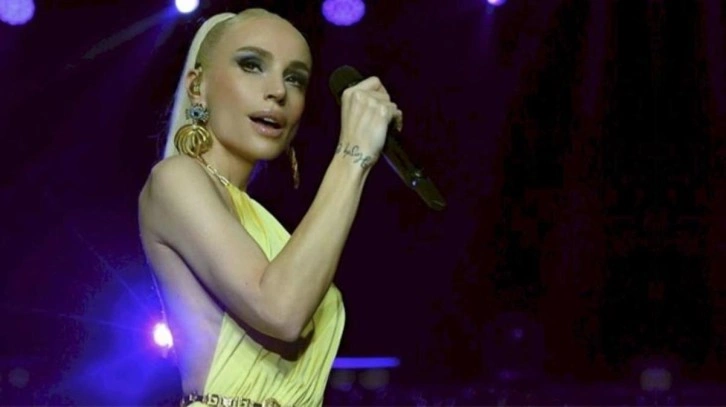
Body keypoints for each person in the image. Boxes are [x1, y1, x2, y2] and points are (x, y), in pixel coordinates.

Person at [137, 7, 403, 407]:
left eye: (295, 78)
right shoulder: (175, 179)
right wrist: (353, 156)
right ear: (197, 86)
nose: (279, 91)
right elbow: (280, 310)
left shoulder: (260, 223)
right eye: (252, 65)